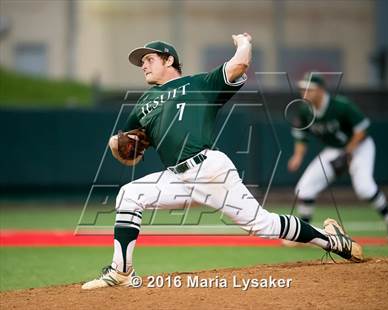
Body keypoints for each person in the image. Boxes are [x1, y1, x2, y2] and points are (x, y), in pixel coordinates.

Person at [82, 34, 363, 290]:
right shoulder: (143, 102)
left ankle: (330, 239)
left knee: (261, 224)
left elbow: (239, 66)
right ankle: (121, 271)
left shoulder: (199, 83)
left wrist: (244, 43)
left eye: (149, 59)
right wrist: (120, 147)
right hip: (175, 177)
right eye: (141, 62)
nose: (143, 65)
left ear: (169, 60)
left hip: (208, 170)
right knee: (129, 194)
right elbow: (132, 146)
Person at [287, 73, 388, 242]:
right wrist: (297, 156)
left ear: (320, 90)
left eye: (309, 89)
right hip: (334, 150)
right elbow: (301, 136)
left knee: (364, 187)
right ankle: (304, 233)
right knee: (304, 189)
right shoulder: (305, 109)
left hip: (360, 147)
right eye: (302, 89)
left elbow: (362, 129)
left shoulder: (340, 105)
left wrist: (348, 153)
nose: (304, 93)